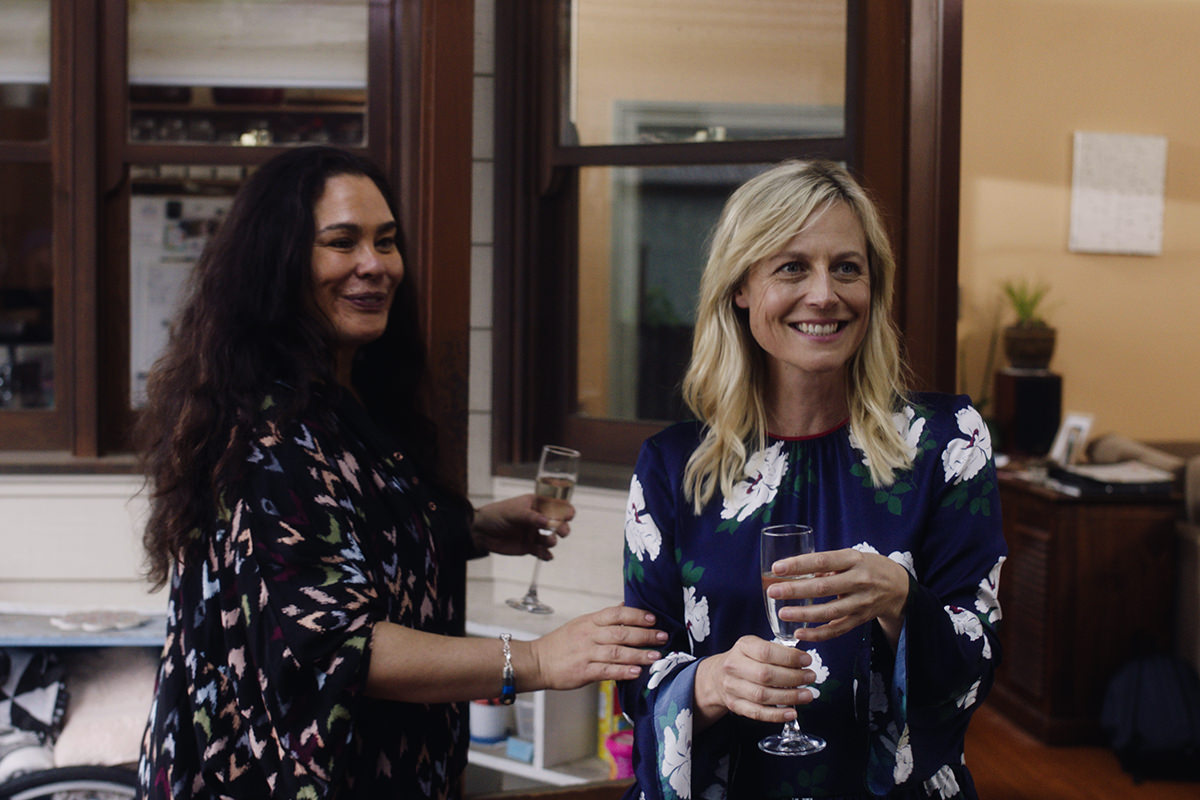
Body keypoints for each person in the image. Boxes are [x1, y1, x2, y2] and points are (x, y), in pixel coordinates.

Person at [134, 145, 665, 800]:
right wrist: (537, 659)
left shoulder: (343, 396)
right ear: (279, 265)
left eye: (386, 242)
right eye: (341, 242)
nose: (374, 265)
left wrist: (467, 530)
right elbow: (341, 642)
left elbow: (346, 535)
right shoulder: (264, 435)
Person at [620, 160, 1006, 799]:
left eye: (847, 268)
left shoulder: (948, 443)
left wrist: (903, 601)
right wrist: (713, 682)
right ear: (741, 287)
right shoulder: (672, 467)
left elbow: (978, 661)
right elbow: (636, 678)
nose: (824, 294)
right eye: (792, 267)